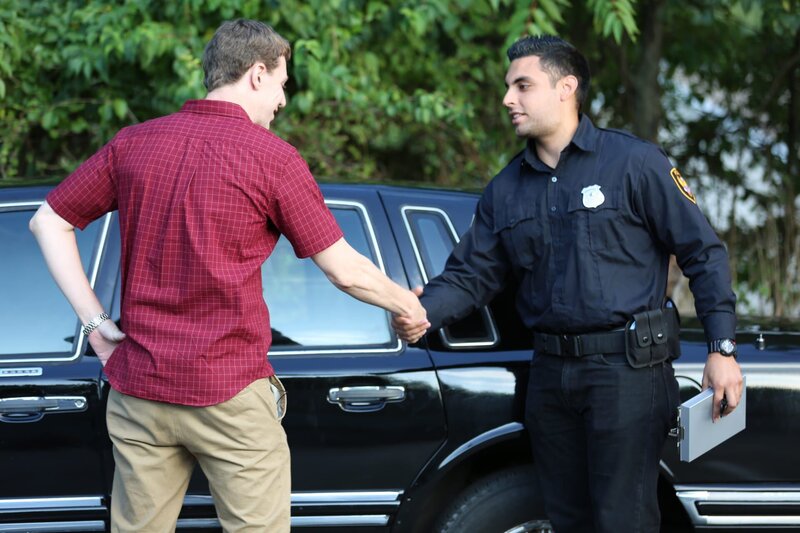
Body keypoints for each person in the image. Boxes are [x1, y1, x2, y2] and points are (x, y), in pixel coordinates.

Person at [30, 19, 428, 533]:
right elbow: (344, 269)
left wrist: (94, 322)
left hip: (140, 390)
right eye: (283, 83)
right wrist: (408, 304)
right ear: (257, 74)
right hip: (229, 389)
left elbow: (48, 221)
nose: (283, 100)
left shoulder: (133, 144)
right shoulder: (272, 158)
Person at [393, 35, 743, 533]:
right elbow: (471, 276)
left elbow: (703, 253)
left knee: (623, 519)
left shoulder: (635, 164)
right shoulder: (505, 190)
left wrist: (721, 348)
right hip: (551, 377)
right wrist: (423, 311)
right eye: (508, 87)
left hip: (627, 374)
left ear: (566, 87)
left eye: (522, 85)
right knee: (566, 519)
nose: (507, 99)